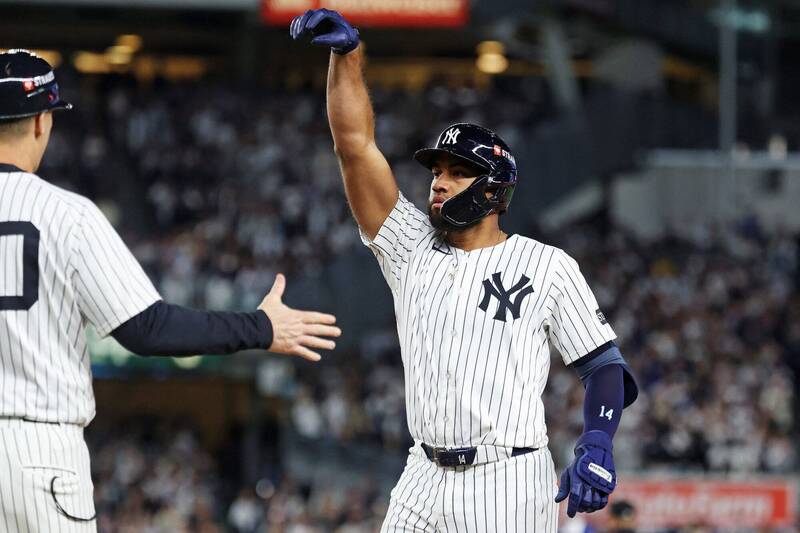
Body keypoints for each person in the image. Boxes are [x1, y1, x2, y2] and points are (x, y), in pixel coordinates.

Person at [291, 10, 639, 531]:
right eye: (437, 171)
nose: (439, 181)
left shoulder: (546, 266)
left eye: (458, 172)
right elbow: (355, 147)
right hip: (422, 472)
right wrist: (347, 57)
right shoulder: (410, 246)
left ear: (494, 191)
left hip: (508, 479)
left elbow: (604, 365)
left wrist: (597, 438)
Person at [0, 49, 341, 532]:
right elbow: (149, 330)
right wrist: (260, 327)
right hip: (40, 452)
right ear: (42, 122)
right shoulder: (66, 214)